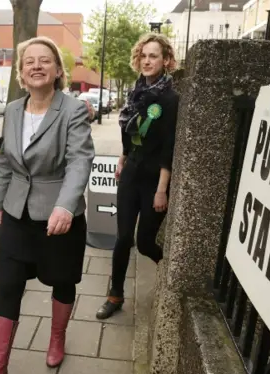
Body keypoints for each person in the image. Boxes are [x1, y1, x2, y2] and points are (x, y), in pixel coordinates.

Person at [0, 36, 94, 374]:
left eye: (44, 60)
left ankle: (56, 337)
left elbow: (79, 161)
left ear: (57, 71)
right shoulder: (13, 110)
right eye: (29, 62)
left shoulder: (72, 111)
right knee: (8, 287)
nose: (36, 66)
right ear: (21, 73)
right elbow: (6, 162)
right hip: (18, 216)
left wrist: (67, 206)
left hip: (59, 217)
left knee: (62, 280)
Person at [96, 33, 179, 320]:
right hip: (131, 174)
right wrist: (123, 157)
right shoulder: (135, 93)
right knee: (122, 238)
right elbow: (129, 134)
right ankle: (115, 294)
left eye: (153, 55)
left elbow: (169, 145)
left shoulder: (170, 98)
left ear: (166, 60)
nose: (147, 60)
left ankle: (172, 272)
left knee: (145, 242)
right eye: (143, 55)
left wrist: (162, 189)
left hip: (154, 179)